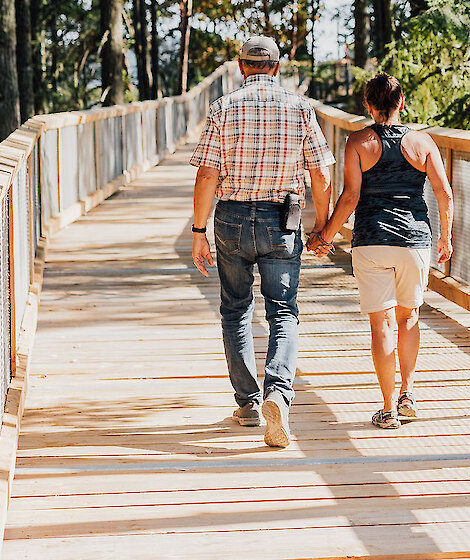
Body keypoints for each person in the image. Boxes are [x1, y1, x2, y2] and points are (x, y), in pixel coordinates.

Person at [190, 35, 334, 449]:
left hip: (231, 218)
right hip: (282, 218)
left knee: (236, 309)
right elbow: (321, 174)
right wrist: (322, 226)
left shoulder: (223, 107)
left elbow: (207, 174)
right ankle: (279, 395)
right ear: (277, 66)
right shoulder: (300, 108)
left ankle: (249, 403)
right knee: (283, 311)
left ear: (241, 66)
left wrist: (199, 232)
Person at [309, 72, 452, 428]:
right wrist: (446, 237)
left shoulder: (359, 142)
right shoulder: (422, 142)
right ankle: (408, 394)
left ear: (368, 105)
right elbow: (444, 192)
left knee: (382, 324)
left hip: (372, 240)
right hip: (414, 241)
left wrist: (325, 237)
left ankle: (388, 409)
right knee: (409, 318)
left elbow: (350, 197)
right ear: (401, 102)